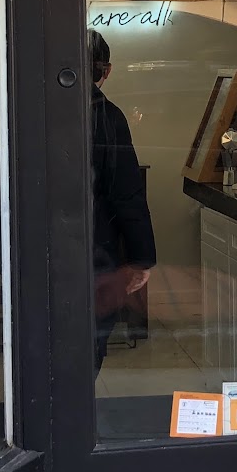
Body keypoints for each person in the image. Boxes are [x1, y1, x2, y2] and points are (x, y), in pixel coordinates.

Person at [90, 31, 156, 374]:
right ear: (107, 70)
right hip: (96, 249)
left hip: (36, 252)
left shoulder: (30, 111)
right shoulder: (107, 117)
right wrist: (141, 258)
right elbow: (126, 192)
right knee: (91, 338)